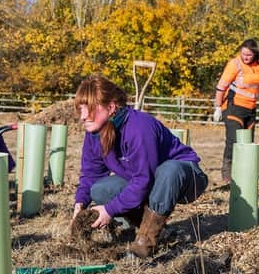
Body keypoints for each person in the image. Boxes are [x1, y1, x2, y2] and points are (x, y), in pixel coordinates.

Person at [72, 74, 208, 258]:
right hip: (147, 180)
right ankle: (159, 231)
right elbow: (91, 174)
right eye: (80, 110)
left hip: (185, 179)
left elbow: (144, 179)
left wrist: (109, 210)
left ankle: (145, 242)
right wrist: (80, 205)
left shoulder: (138, 127)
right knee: (100, 190)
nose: (82, 117)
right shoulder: (95, 133)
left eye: (88, 109)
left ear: (111, 107)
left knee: (169, 170)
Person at [213, 38, 259, 182]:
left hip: (250, 109)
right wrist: (217, 107)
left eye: (248, 55)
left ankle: (244, 173)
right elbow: (221, 87)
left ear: (254, 54)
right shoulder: (234, 64)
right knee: (233, 141)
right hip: (233, 108)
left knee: (248, 142)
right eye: (243, 54)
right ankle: (227, 175)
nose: (245, 57)